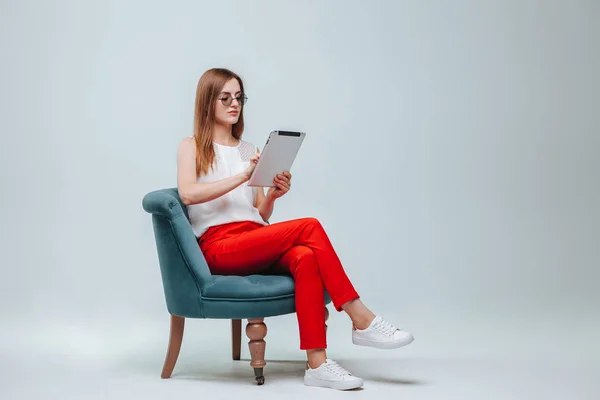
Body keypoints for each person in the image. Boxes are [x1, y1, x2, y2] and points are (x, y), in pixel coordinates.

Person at [176, 68, 414, 390]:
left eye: (240, 98)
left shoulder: (247, 150)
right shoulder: (191, 146)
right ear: (208, 102)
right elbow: (188, 194)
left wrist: (272, 194)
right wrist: (242, 177)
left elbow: (258, 212)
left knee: (304, 255)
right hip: (219, 247)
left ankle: (317, 364)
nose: (235, 104)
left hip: (252, 236)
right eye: (226, 98)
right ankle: (360, 316)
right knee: (310, 226)